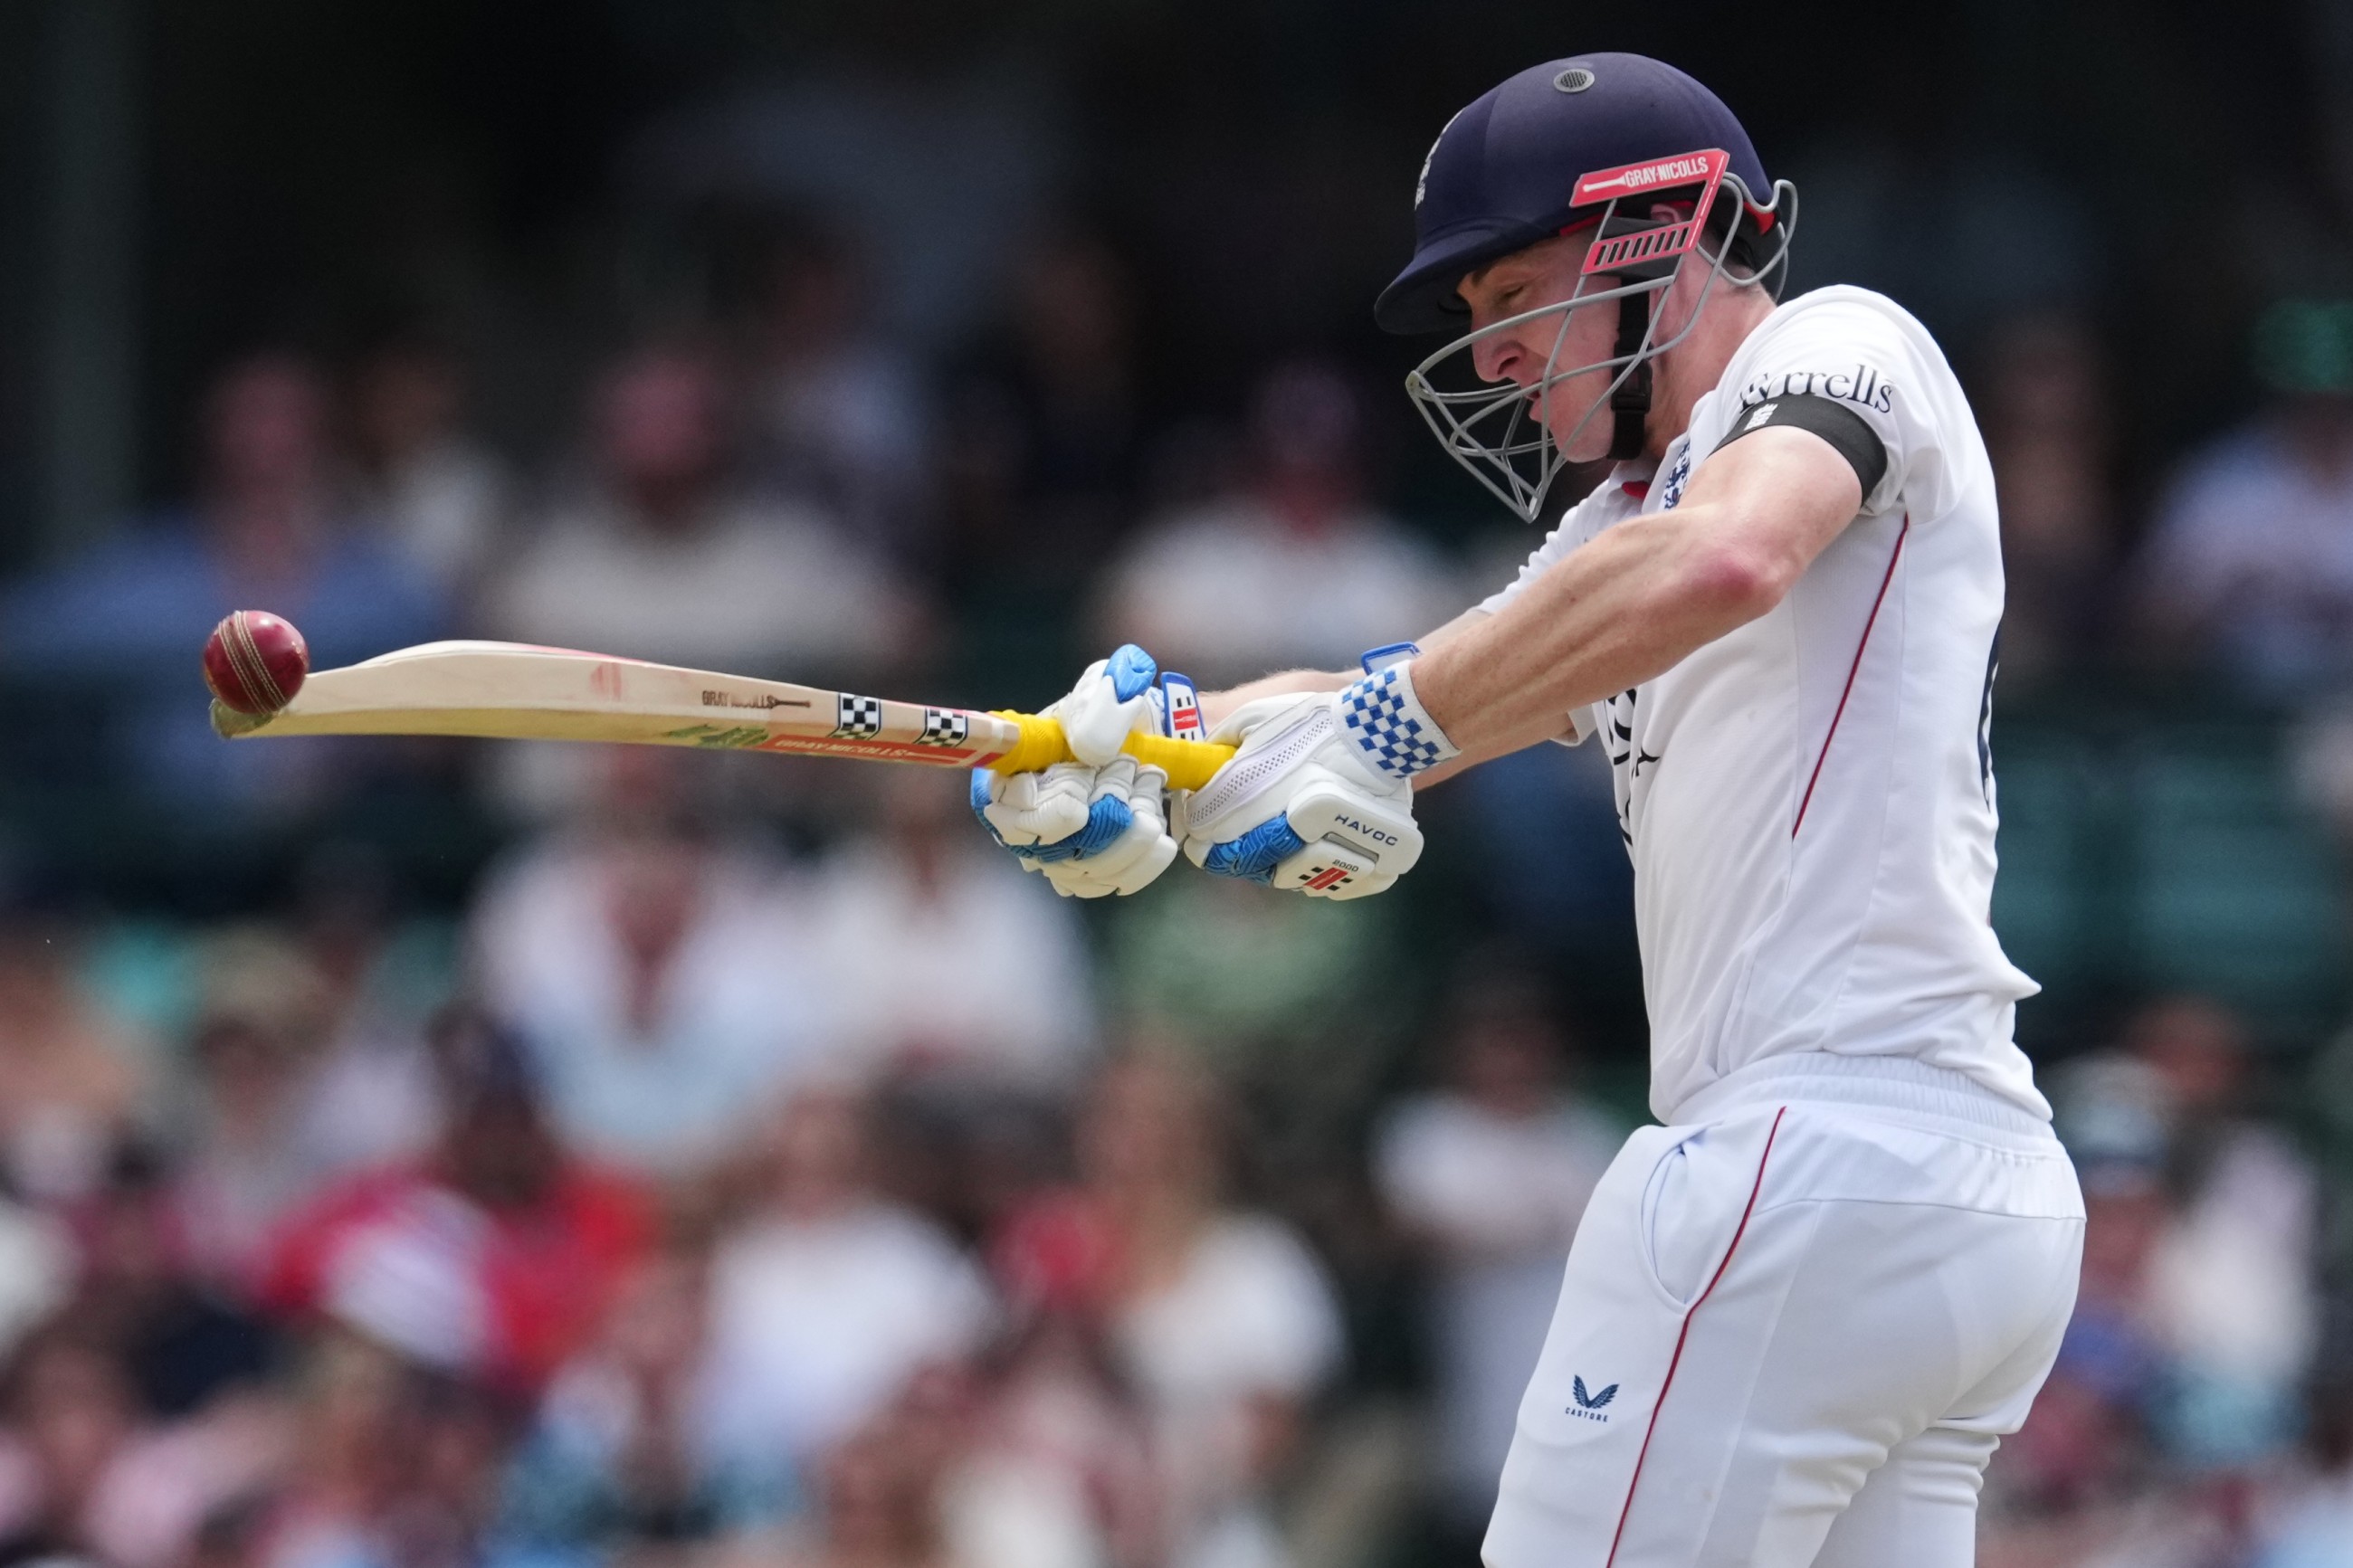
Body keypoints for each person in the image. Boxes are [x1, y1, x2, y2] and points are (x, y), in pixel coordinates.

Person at [974, 52, 2083, 1566]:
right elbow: (1391, 688)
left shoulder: (1837, 342)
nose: (1488, 355)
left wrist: (1385, 721)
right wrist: (1133, 744)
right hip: (1943, 1204)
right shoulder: (1617, 528)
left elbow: (1725, 559)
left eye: (1510, 295)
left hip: (1814, 1156)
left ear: (1657, 237)